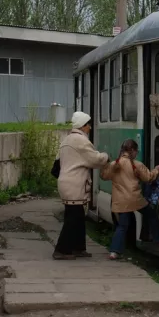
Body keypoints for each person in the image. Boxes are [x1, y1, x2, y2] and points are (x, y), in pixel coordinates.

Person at [101, 139, 159, 260]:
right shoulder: (136, 165)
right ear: (132, 151)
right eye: (136, 151)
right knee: (151, 214)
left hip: (120, 201)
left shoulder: (114, 164)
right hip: (135, 199)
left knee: (122, 226)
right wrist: (157, 170)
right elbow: (148, 178)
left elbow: (104, 176)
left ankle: (114, 252)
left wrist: (106, 164)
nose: (137, 153)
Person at [54, 111, 108, 260]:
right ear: (83, 126)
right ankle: (61, 250)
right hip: (74, 184)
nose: (90, 127)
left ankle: (78, 247)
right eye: (88, 125)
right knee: (73, 218)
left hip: (66, 182)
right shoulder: (80, 141)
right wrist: (106, 156)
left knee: (78, 218)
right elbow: (94, 159)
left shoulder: (67, 139)